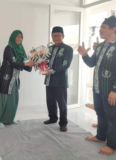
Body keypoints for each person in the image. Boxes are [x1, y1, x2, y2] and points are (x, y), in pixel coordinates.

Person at [78, 16, 116, 155]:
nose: (100, 30)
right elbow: (92, 63)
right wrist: (84, 55)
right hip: (98, 88)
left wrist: (114, 91)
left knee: (112, 117)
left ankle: (111, 145)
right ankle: (100, 137)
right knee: (100, 113)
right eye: (100, 27)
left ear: (113, 29)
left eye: (103, 28)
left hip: (111, 90)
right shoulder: (100, 46)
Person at [0, 30, 34, 128]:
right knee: (4, 98)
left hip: (15, 78)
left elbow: (24, 62)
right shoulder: (9, 48)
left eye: (21, 37)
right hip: (6, 78)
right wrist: (26, 64)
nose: (19, 38)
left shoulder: (21, 49)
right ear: (13, 37)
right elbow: (13, 63)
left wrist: (33, 64)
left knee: (13, 99)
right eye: (17, 36)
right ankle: (0, 120)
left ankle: (10, 118)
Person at [42, 27, 73, 132]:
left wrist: (52, 71)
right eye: (54, 36)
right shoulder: (49, 49)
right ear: (52, 36)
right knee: (50, 101)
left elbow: (66, 64)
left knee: (62, 103)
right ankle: (52, 118)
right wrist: (39, 64)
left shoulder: (68, 49)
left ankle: (63, 123)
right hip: (49, 80)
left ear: (63, 36)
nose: (56, 38)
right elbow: (45, 61)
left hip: (60, 81)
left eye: (58, 35)